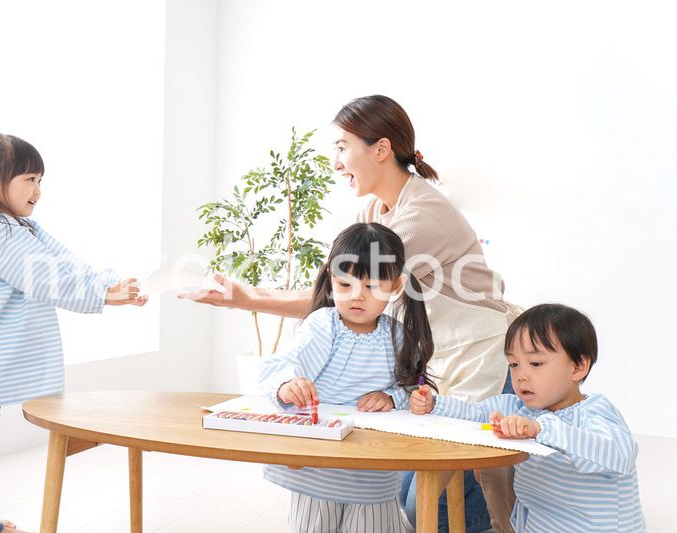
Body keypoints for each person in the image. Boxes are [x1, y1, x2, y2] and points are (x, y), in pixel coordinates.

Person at [181, 95, 517, 532]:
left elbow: (337, 291)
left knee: (426, 504)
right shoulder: (375, 209)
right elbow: (338, 288)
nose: (336, 163)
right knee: (403, 489)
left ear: (381, 149)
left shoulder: (422, 215)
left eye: (342, 147)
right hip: (434, 357)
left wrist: (246, 299)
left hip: (474, 353)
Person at [0, 132, 147, 533]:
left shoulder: (17, 228)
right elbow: (45, 279)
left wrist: (108, 284)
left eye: (40, 180)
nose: (38, 190)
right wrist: (103, 294)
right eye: (29, 179)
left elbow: (66, 264)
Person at [259, 222, 434, 533]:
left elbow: (415, 390)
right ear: (331, 279)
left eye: (371, 287)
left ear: (396, 285)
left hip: (373, 470)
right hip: (319, 467)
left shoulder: (397, 336)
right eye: (344, 284)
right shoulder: (324, 326)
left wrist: (391, 397)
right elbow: (282, 365)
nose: (357, 296)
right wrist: (288, 385)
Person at [410, 304, 646, 532]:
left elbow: (621, 455)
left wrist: (540, 429)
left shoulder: (594, 410)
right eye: (514, 364)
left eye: (535, 363)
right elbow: (475, 412)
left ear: (577, 367)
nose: (521, 375)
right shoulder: (515, 407)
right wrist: (434, 404)